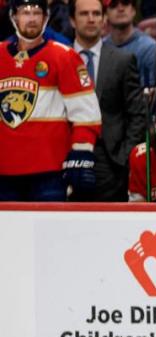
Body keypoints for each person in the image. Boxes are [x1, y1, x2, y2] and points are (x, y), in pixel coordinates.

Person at [0, 0, 101, 201]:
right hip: (3, 172)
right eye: (25, 12)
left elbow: (86, 114)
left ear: (45, 18)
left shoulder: (64, 56)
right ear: (14, 17)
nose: (31, 18)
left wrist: (81, 153)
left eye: (37, 13)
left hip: (50, 172)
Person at [70, 0, 146, 201]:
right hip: (66, 156)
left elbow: (137, 113)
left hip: (110, 161)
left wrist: (124, 157)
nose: (91, 19)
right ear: (72, 20)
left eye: (96, 14)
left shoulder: (123, 60)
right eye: (84, 14)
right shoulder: (59, 58)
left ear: (104, 20)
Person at [103, 0, 156, 89]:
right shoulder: (101, 47)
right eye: (113, 5)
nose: (120, 9)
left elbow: (149, 92)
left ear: (133, 11)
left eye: (125, 3)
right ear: (105, 14)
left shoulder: (149, 47)